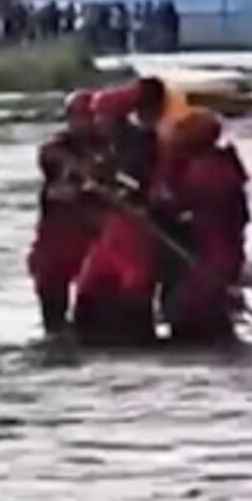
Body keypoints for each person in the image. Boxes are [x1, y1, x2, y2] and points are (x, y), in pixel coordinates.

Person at [69, 80, 169, 346]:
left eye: (101, 115)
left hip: (135, 223)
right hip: (115, 224)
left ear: (116, 117)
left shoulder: (139, 143)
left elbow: (138, 184)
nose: (97, 121)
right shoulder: (114, 144)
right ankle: (89, 329)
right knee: (91, 282)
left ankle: (138, 335)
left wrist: (107, 184)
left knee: (135, 280)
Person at [157, 109, 251, 346]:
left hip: (209, 254)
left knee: (196, 309)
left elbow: (178, 202)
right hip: (218, 251)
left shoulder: (206, 170)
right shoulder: (220, 164)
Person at [27, 91, 108, 337]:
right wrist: (78, 172)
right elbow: (50, 159)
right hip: (56, 246)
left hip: (91, 241)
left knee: (94, 313)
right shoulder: (57, 148)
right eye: (81, 117)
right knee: (53, 316)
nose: (87, 123)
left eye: (92, 117)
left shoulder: (111, 147)